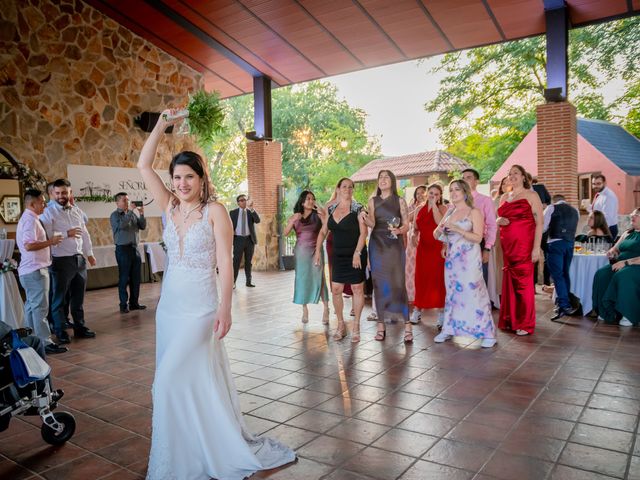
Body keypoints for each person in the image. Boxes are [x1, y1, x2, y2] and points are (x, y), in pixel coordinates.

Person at [138, 109, 295, 480]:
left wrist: (226, 308)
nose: (180, 183)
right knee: (188, 379)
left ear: (201, 177)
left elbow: (226, 263)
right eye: (176, 177)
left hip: (202, 306)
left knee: (168, 381)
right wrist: (161, 125)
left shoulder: (216, 211)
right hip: (171, 308)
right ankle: (188, 450)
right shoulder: (170, 207)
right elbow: (144, 165)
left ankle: (214, 447)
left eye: (188, 177)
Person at [434, 180, 496, 347]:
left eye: (457, 190)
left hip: (469, 258)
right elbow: (437, 234)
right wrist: (441, 233)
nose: (454, 193)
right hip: (452, 260)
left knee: (474, 292)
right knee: (453, 294)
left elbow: (478, 237)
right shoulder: (450, 212)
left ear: (465, 192)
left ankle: (487, 333)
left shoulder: (474, 211)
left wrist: (458, 229)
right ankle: (449, 328)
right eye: (451, 190)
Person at [40, 179, 97, 344]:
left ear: (70, 193)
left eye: (64, 192)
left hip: (79, 260)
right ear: (52, 194)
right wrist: (67, 233)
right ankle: (60, 331)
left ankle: (80, 327)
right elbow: (49, 238)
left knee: (78, 298)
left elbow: (85, 234)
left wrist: (90, 254)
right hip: (60, 261)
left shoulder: (77, 211)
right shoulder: (48, 213)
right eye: (57, 193)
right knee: (59, 299)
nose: (61, 196)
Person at [360, 170, 412, 343]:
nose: (382, 180)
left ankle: (407, 325)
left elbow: (406, 225)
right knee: (378, 284)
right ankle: (381, 325)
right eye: (380, 178)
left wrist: (399, 230)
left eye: (386, 177)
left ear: (392, 181)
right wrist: (363, 217)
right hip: (377, 246)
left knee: (398, 284)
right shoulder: (372, 200)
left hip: (394, 246)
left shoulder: (400, 201)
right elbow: (372, 224)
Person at [16, 189, 67, 355]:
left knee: (32, 307)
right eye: (42, 202)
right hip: (35, 270)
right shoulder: (30, 220)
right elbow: (29, 245)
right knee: (40, 309)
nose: (45, 204)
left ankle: (31, 340)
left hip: (30, 270)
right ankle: (45, 343)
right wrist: (50, 242)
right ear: (32, 204)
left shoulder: (30, 218)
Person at [316, 177, 367, 342]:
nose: (347, 189)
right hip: (337, 255)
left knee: (357, 289)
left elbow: (363, 233)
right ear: (338, 189)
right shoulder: (330, 208)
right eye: (344, 186)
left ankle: (357, 326)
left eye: (350, 187)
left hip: (355, 255)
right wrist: (317, 250)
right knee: (336, 289)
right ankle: (341, 325)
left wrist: (357, 252)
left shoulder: (358, 208)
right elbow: (324, 231)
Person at [496, 165, 544, 336]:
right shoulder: (503, 197)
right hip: (507, 247)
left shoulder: (532, 195)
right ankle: (510, 319)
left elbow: (540, 223)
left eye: (516, 173)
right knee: (509, 282)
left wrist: (536, 248)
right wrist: (499, 220)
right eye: (510, 174)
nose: (512, 176)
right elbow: (498, 218)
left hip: (524, 246)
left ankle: (525, 323)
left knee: (523, 284)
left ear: (524, 177)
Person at [283, 190, 329, 324]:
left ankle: (326, 308)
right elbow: (285, 233)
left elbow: (327, 229)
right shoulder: (296, 217)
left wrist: (324, 215)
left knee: (319, 279)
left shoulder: (318, 215)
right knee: (302, 279)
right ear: (302, 202)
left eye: (313, 199)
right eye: (308, 199)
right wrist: (291, 220)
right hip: (301, 253)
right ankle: (304, 310)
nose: (311, 201)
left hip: (316, 251)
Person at [592, 208, 640, 326]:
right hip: (621, 264)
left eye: (636, 215)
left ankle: (628, 315)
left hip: (635, 266)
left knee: (623, 276)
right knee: (601, 274)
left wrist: (625, 263)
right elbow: (616, 248)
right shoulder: (628, 233)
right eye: (632, 214)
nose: (632, 217)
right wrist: (611, 251)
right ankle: (607, 312)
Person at [413, 183, 448, 328]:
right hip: (423, 248)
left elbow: (441, 225)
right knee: (421, 278)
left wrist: (434, 206)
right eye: (431, 193)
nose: (433, 196)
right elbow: (415, 228)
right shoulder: (419, 209)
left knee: (438, 280)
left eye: (437, 194)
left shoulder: (443, 208)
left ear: (440, 196)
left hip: (437, 249)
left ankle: (441, 313)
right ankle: (417, 309)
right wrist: (414, 235)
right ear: (427, 193)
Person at [543, 194, 580, 321]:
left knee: (557, 275)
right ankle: (563, 303)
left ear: (554, 201)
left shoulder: (551, 208)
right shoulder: (575, 211)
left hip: (555, 243)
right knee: (565, 274)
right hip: (570, 244)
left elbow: (543, 227)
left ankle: (564, 305)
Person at [110, 192, 147, 314]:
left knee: (136, 278)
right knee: (124, 278)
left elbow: (142, 226)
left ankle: (134, 303)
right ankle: (123, 305)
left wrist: (141, 214)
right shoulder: (114, 215)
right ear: (117, 202)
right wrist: (130, 212)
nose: (127, 202)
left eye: (128, 200)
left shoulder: (133, 215)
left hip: (134, 249)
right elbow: (122, 225)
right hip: (123, 249)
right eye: (124, 200)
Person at [461, 169, 497, 288]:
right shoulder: (457, 202)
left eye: (468, 177)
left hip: (479, 244)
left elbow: (492, 225)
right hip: (460, 245)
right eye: (463, 178)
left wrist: (487, 248)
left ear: (476, 182)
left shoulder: (485, 200)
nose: (465, 180)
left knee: (479, 282)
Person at [229, 194, 260, 288]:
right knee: (236, 262)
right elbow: (228, 225)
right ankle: (233, 282)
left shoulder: (251, 212)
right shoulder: (233, 212)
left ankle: (248, 281)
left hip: (249, 240)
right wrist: (231, 231)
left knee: (248, 262)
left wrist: (252, 209)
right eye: (241, 200)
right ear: (238, 203)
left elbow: (258, 220)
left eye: (245, 200)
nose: (244, 201)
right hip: (238, 239)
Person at [406, 185, 426, 324]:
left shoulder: (431, 206)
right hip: (412, 238)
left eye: (422, 193)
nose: (419, 195)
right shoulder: (412, 206)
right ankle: (411, 294)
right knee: (410, 268)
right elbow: (406, 219)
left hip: (425, 238)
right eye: (417, 193)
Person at [589, 174, 619, 239]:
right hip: (599, 228)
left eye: (598, 183)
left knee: (603, 249)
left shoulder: (608, 196)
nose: (595, 186)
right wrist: (588, 207)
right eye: (593, 184)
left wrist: (598, 231)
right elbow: (597, 212)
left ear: (604, 183)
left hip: (607, 229)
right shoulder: (599, 193)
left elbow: (607, 218)